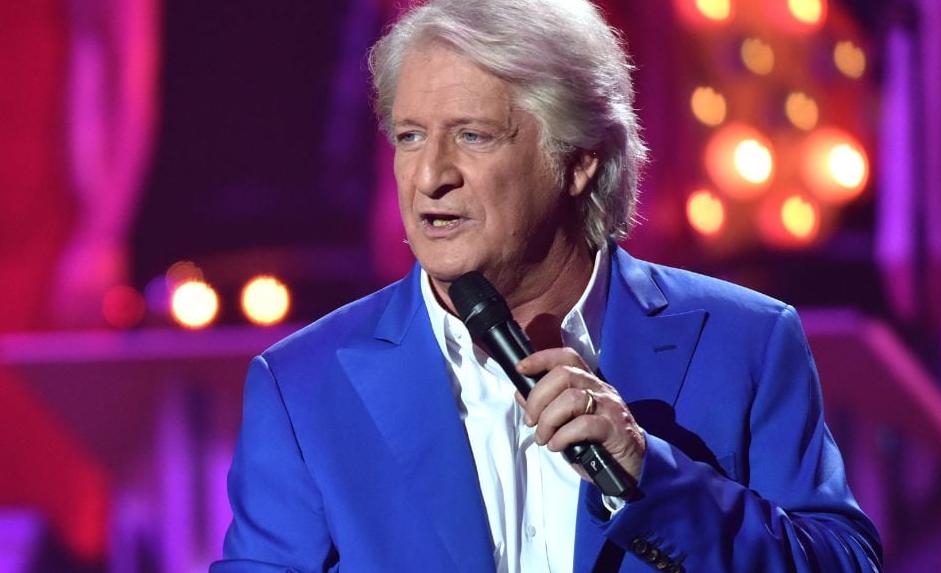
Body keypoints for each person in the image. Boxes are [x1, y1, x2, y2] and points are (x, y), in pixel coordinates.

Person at [212, 1, 882, 571]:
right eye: (410, 136)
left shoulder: (746, 342)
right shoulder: (302, 385)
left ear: (578, 161)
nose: (430, 176)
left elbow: (841, 561)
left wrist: (651, 474)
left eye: (473, 136)